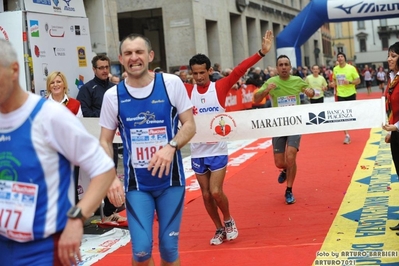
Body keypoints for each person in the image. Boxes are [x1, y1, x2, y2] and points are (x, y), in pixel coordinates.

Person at [0, 39, 117, 266]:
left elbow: (104, 168)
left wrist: (76, 220)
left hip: (44, 248)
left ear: (14, 70)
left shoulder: (49, 116)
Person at [99, 33, 196, 266]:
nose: (134, 58)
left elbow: (190, 125)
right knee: (141, 250)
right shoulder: (113, 96)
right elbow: (104, 141)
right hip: (137, 185)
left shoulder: (171, 84)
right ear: (121, 59)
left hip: (170, 183)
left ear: (150, 56)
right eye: (129, 53)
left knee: (169, 249)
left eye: (139, 52)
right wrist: (110, 178)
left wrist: (171, 146)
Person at [185, 30, 274, 245]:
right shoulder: (186, 90)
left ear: (209, 71)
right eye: (194, 74)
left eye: (202, 73)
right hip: (197, 150)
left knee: (216, 191)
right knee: (205, 195)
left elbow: (239, 70)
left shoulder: (219, 87)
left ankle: (228, 220)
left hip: (217, 149)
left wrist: (261, 53)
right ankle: (218, 229)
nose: (198, 77)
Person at [254, 55, 316, 205]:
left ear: (290, 67)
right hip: (278, 125)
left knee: (291, 156)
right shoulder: (271, 82)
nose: (283, 67)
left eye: (286, 64)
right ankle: (285, 170)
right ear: (277, 68)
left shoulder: (297, 81)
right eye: (280, 65)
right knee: (279, 162)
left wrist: (310, 93)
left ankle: (289, 190)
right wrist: (265, 91)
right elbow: (256, 99)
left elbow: (312, 92)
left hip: (295, 123)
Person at [77, 55, 125, 222]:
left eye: (106, 67)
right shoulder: (87, 89)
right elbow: (85, 113)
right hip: (94, 138)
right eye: (101, 68)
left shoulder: (116, 88)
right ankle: (96, 210)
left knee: (111, 171)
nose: (105, 70)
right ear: (94, 69)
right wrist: (105, 117)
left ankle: (111, 210)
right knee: (99, 174)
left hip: (113, 139)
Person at [46, 71, 83, 204]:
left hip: (70, 153)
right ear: (49, 86)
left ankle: (73, 221)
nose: (55, 85)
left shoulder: (75, 104)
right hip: (49, 154)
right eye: (52, 82)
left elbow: (80, 129)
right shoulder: (41, 104)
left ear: (64, 84)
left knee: (71, 189)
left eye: (58, 82)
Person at [382, 42, 399, 235]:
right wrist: (392, 130)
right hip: (396, 133)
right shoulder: (392, 78)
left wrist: (396, 127)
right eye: (389, 55)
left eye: (393, 56)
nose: (389, 59)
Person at [329, 52, 360, 144]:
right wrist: (332, 84)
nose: (340, 58)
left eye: (342, 56)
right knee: (343, 115)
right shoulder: (335, 69)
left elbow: (358, 80)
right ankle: (347, 135)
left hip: (351, 93)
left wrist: (350, 82)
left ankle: (350, 128)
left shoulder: (351, 68)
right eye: (338, 57)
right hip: (340, 94)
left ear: (345, 58)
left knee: (351, 114)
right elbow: (334, 81)